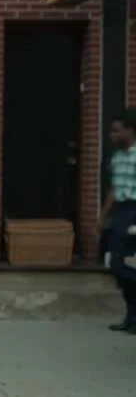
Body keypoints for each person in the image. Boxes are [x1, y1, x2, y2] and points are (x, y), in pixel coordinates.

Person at [99, 110, 136, 334]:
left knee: (126, 264)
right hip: (121, 212)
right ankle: (131, 317)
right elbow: (114, 189)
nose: (111, 135)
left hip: (134, 210)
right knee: (116, 265)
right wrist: (103, 217)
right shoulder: (117, 158)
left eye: (116, 130)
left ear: (130, 130)